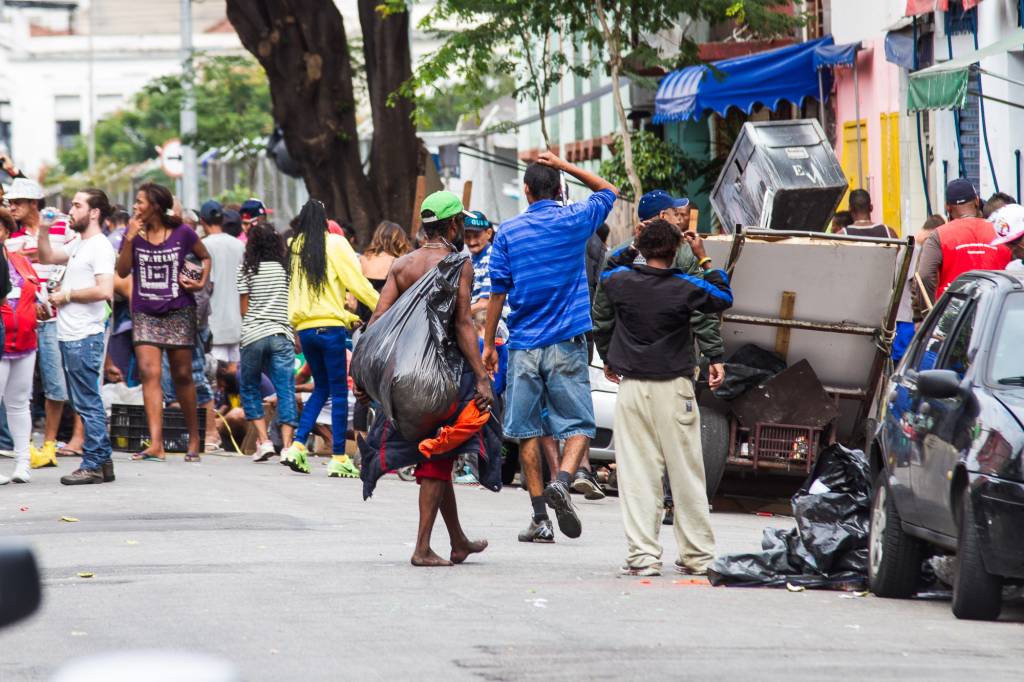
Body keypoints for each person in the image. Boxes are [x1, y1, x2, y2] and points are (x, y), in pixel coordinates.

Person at [483, 151, 618, 543]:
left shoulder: (507, 232)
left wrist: (491, 344)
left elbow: (497, 293)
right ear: (559, 190)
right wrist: (564, 163)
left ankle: (540, 518)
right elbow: (609, 190)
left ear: (525, 192)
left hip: (525, 345)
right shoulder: (574, 219)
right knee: (579, 426)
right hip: (566, 342)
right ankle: (563, 480)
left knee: (527, 432)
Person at [359, 189, 493, 566]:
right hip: (442, 377)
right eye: (460, 223)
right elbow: (464, 324)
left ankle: (458, 541)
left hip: (403, 377)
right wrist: (482, 377)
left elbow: (378, 324)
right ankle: (421, 548)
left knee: (440, 453)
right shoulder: (457, 264)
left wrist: (368, 380)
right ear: (452, 225)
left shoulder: (403, 265)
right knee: (438, 454)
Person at [599, 219, 734, 576]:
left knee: (638, 475)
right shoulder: (684, 285)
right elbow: (723, 297)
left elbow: (608, 269)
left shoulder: (621, 281)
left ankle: (643, 557)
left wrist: (633, 245)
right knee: (687, 471)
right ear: (677, 252)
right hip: (674, 389)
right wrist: (704, 258)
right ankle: (697, 555)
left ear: (642, 250)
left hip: (631, 390)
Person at [280, 199, 379, 478]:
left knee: (321, 388)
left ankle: (298, 446)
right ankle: (338, 456)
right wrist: (382, 304)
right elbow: (356, 283)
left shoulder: (296, 248)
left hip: (306, 330)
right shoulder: (336, 244)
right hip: (330, 331)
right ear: (325, 221)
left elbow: (298, 295)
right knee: (338, 393)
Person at [116, 182, 211, 463]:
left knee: (183, 374)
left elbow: (204, 256)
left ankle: (194, 438)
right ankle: (156, 443)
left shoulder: (183, 232)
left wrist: (200, 281)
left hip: (178, 309)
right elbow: (121, 271)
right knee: (149, 373)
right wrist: (130, 238)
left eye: (140, 202)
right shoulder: (132, 234)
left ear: (155, 205)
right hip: (144, 311)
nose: (135, 207)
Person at [36, 189, 117, 485]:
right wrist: (43, 230)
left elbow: (104, 290)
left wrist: (66, 295)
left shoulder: (99, 247)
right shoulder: (78, 244)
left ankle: (93, 462)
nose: (71, 210)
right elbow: (46, 255)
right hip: (71, 334)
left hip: (85, 335)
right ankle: (103, 461)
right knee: (84, 400)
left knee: (87, 402)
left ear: (94, 212)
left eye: (77, 205)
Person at [5, 178, 78, 468]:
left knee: (56, 383)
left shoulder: (62, 226)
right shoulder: (11, 236)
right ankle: (25, 448)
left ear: (33, 203)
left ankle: (48, 444)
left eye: (17, 203)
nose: (12, 208)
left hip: (60, 315)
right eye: (10, 203)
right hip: (24, 319)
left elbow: (76, 258)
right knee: (18, 390)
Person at [237, 222, 297, 462]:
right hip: (282, 334)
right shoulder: (286, 270)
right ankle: (288, 447)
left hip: (253, 335)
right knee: (286, 389)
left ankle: (264, 441)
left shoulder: (246, 269)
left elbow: (244, 310)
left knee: (250, 387)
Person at [917, 179, 1011, 304]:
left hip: (954, 314)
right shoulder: (1001, 232)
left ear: (948, 208)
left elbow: (924, 275)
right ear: (977, 201)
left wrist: (928, 313)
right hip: (996, 311)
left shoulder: (938, 236)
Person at [0, 207, 30, 485]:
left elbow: (38, 293)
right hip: (3, 338)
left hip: (24, 340)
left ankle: (23, 462)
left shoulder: (20, 261)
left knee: (19, 403)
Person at [200, 200, 245, 370]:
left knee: (216, 379)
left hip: (214, 326)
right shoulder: (240, 246)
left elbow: (204, 287)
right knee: (235, 379)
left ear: (202, 221)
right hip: (237, 325)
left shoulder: (203, 246)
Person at [893, 214, 944, 364]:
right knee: (907, 362)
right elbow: (917, 282)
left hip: (904, 318)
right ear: (933, 232)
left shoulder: (910, 246)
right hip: (909, 319)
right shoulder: (917, 250)